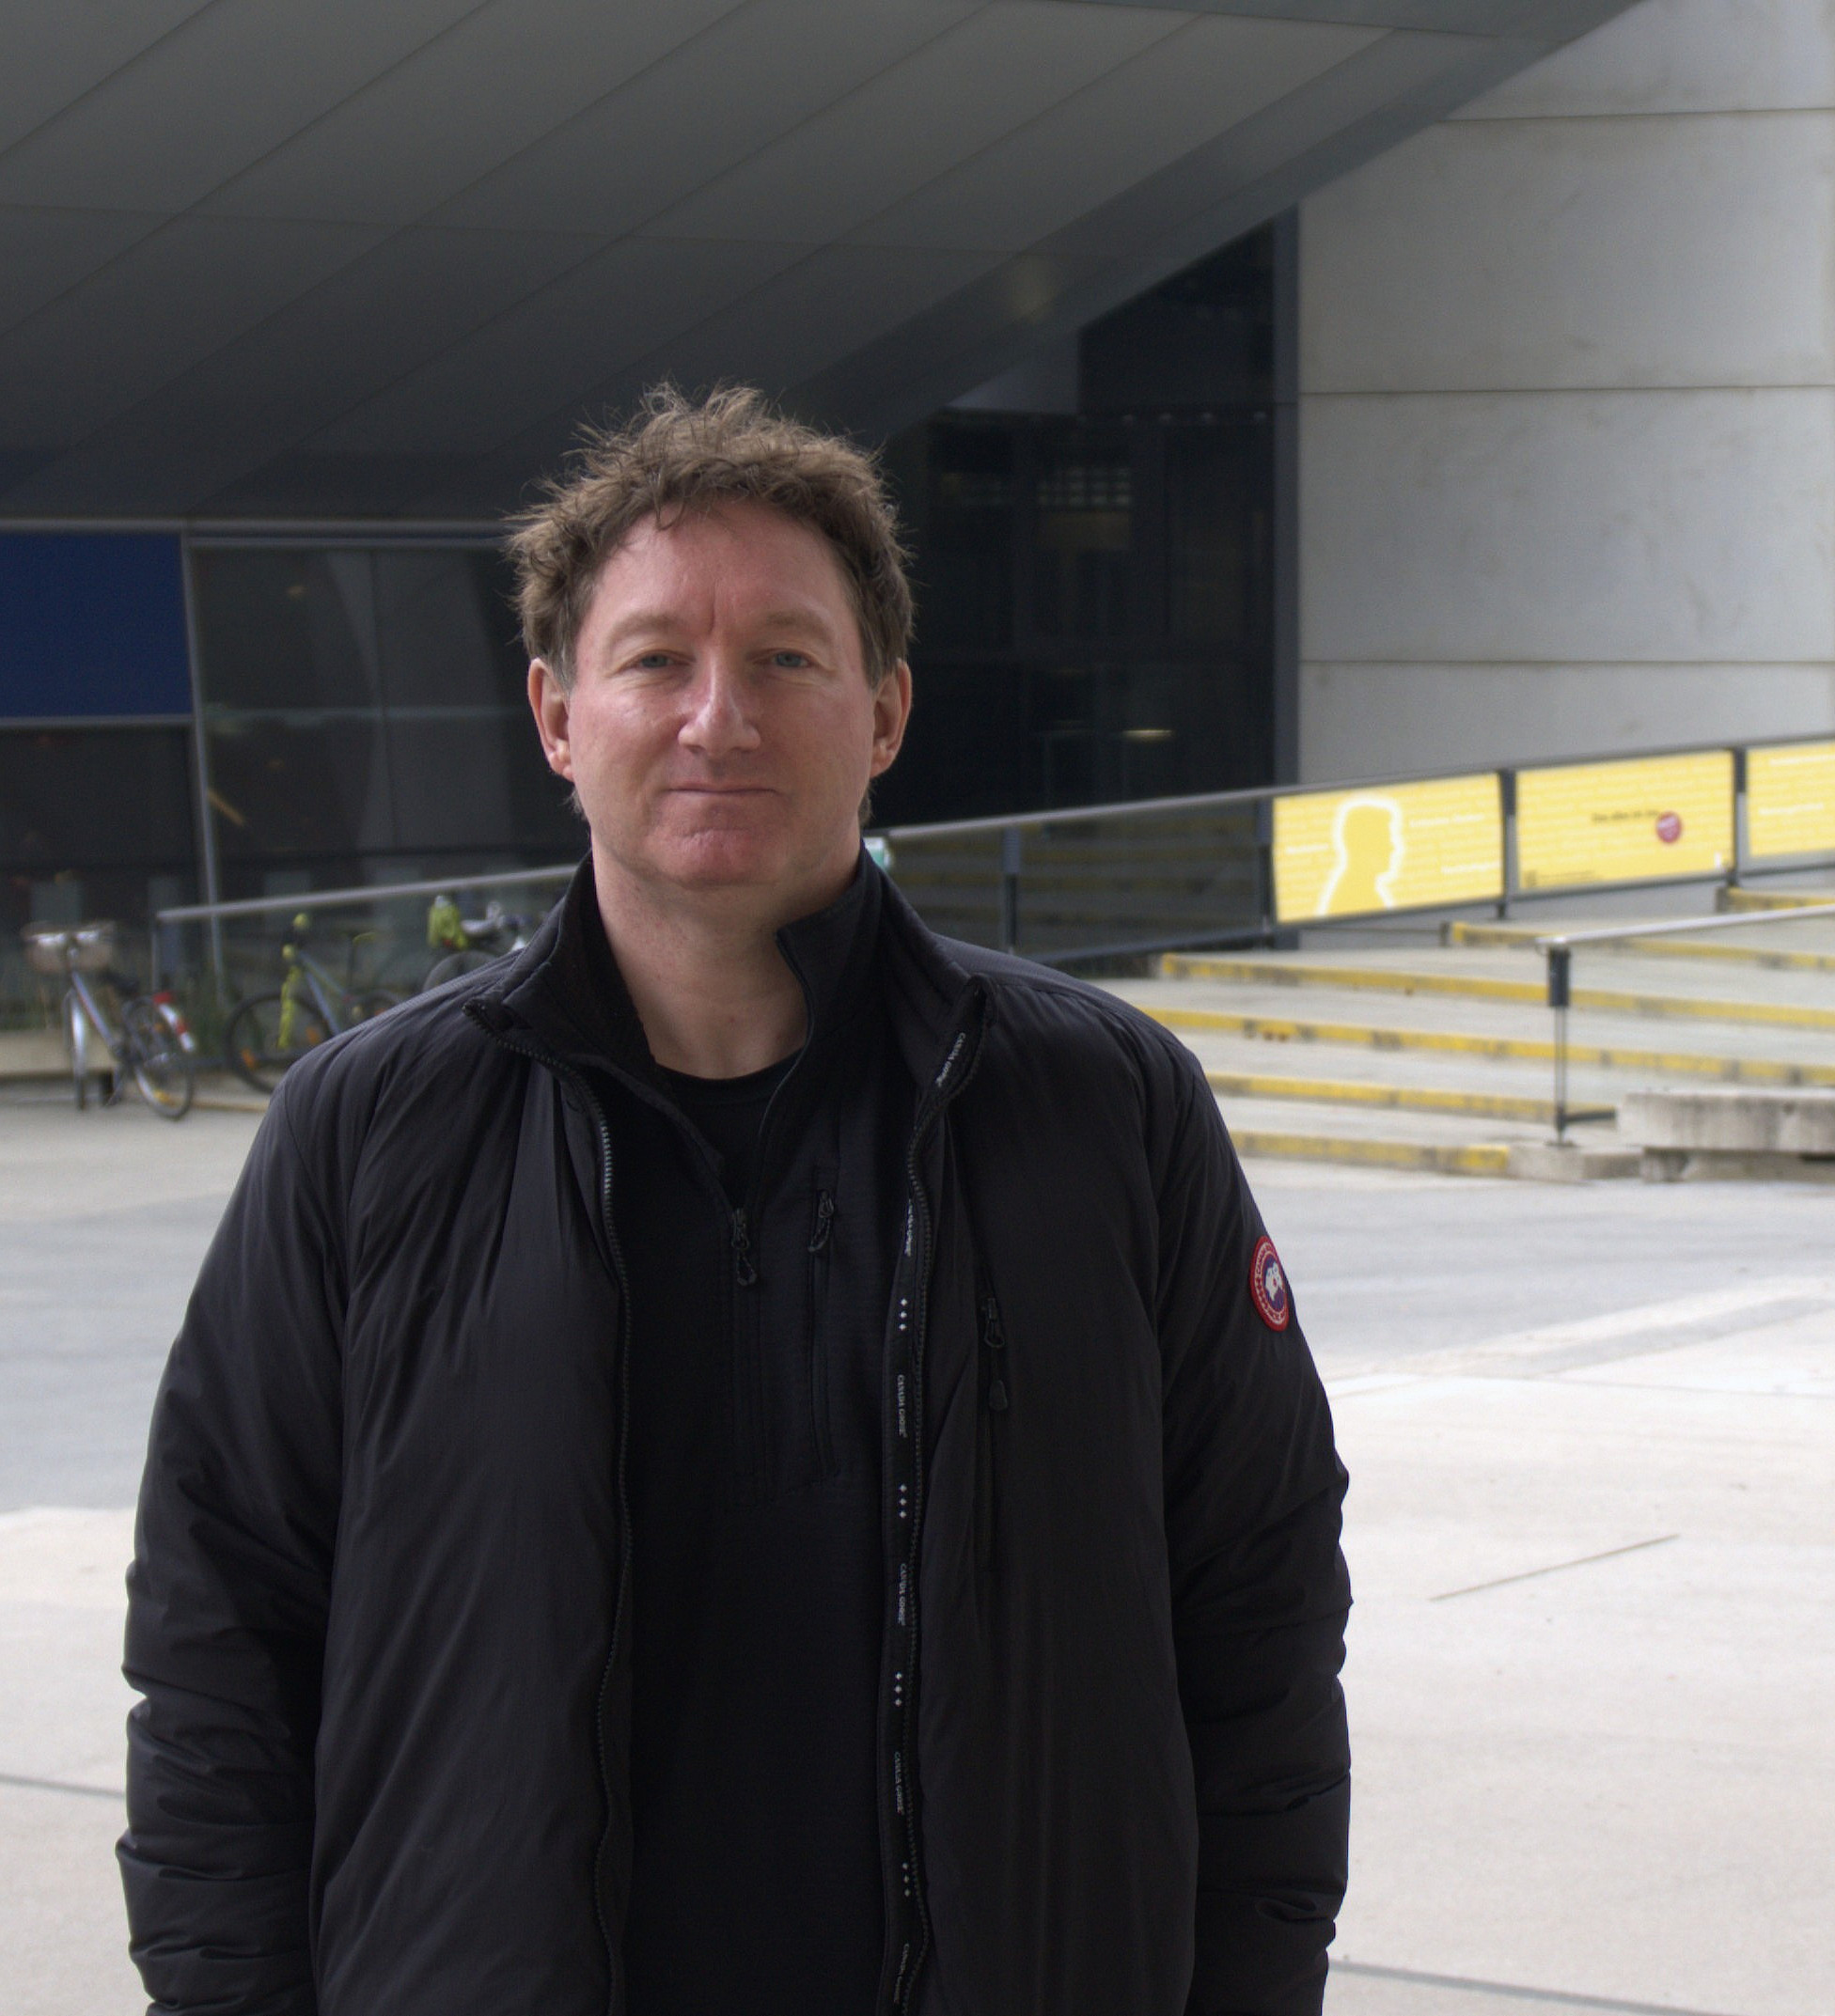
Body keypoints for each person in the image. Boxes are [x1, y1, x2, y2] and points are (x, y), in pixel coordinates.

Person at [119, 385, 1352, 2016]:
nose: (720, 717)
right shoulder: (369, 1132)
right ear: (560, 718)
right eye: (655, 661)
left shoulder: (1101, 1107)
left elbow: (1257, 1609)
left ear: (885, 710)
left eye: (784, 656)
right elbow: (223, 1645)